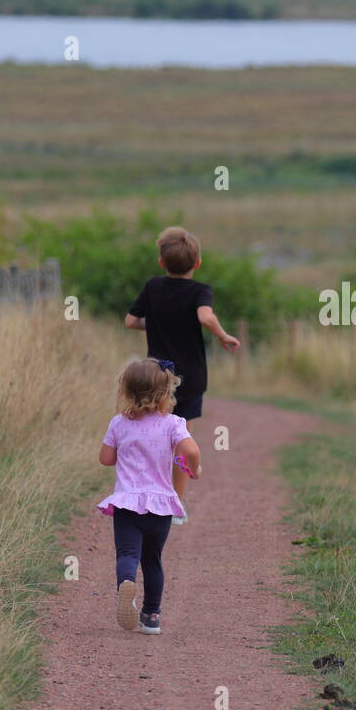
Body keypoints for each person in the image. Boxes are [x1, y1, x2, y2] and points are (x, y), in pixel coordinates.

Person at [124, 226, 238, 511]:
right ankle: (174, 504)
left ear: (161, 262)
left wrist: (157, 322)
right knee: (178, 437)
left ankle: (142, 492)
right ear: (197, 264)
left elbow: (131, 321)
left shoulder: (152, 287)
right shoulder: (200, 291)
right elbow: (205, 316)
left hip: (156, 375)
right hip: (190, 376)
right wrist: (223, 335)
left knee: (149, 432)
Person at [97, 357, 201, 634]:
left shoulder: (118, 424)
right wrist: (194, 468)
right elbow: (190, 451)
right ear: (167, 392)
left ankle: (126, 583)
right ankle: (151, 616)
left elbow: (106, 459)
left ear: (127, 391)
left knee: (128, 554)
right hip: (160, 504)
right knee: (153, 560)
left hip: (128, 503)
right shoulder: (173, 424)